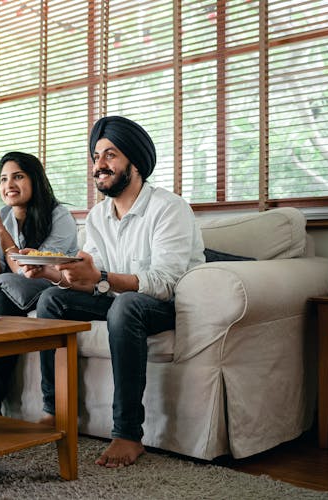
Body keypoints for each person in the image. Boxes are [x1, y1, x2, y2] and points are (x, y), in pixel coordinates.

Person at [22, 116, 205, 467]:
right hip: (119, 299)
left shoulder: (170, 208)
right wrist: (50, 272)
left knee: (126, 307)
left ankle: (127, 433)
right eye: (95, 157)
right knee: (51, 300)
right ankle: (56, 411)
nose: (99, 166)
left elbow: (165, 282)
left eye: (110, 155)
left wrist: (100, 277)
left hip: (165, 305)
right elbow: (92, 279)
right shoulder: (97, 216)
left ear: (134, 162)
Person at [0, 151, 78, 415]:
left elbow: (28, 271)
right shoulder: (5, 216)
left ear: (35, 180)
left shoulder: (60, 217)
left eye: (18, 177)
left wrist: (1, 231)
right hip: (12, 284)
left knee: (3, 300)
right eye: (3, 179)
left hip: (48, 285)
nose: (9, 185)